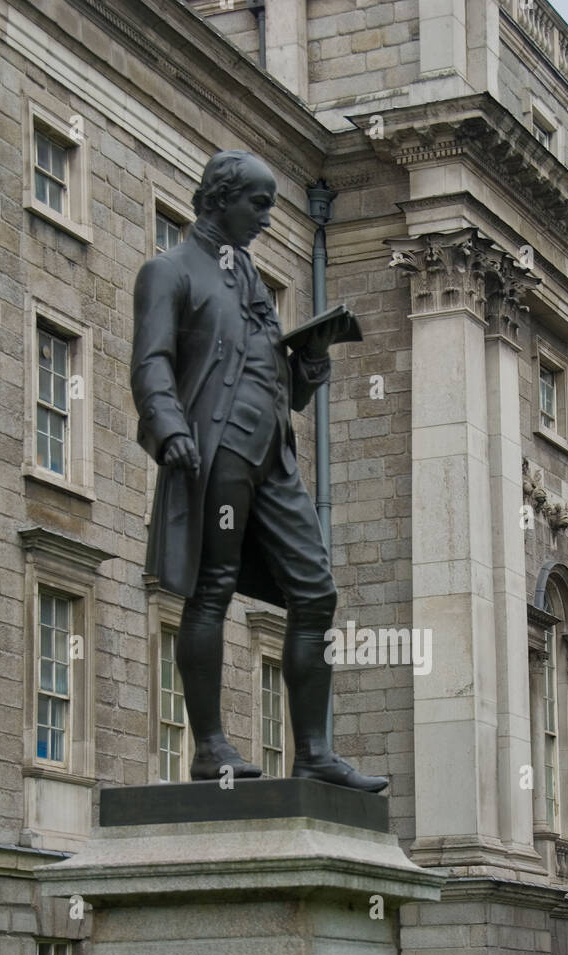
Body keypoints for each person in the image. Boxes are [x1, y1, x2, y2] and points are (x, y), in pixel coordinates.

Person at [131, 150, 387, 792]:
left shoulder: (249, 280)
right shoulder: (168, 271)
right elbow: (152, 363)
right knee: (211, 589)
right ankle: (210, 746)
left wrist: (311, 362)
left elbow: (279, 380)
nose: (269, 218)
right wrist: (168, 427)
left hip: (273, 458)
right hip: (216, 451)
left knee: (316, 592)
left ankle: (314, 754)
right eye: (260, 204)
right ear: (219, 199)